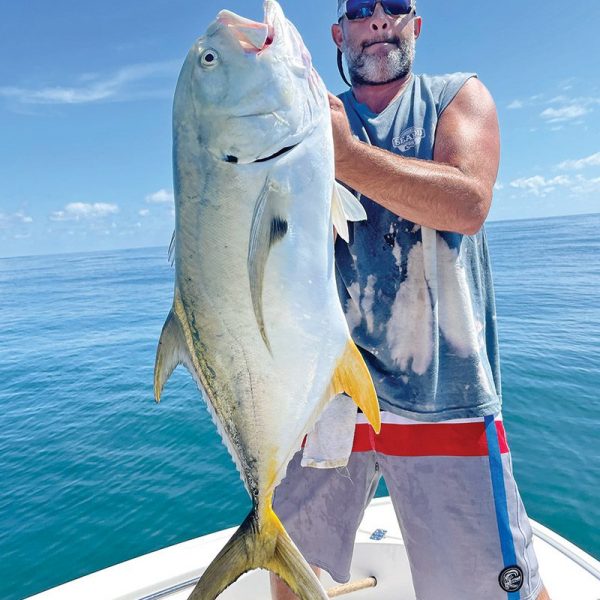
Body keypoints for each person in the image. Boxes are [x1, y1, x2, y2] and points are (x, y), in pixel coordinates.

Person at [271, 1, 551, 599]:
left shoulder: (458, 97)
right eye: (359, 9)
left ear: (415, 26)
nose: (379, 19)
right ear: (338, 32)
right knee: (291, 568)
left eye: (394, 5)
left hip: (443, 396)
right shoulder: (302, 120)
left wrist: (345, 157)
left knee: (495, 585)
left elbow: (467, 204)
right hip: (329, 395)